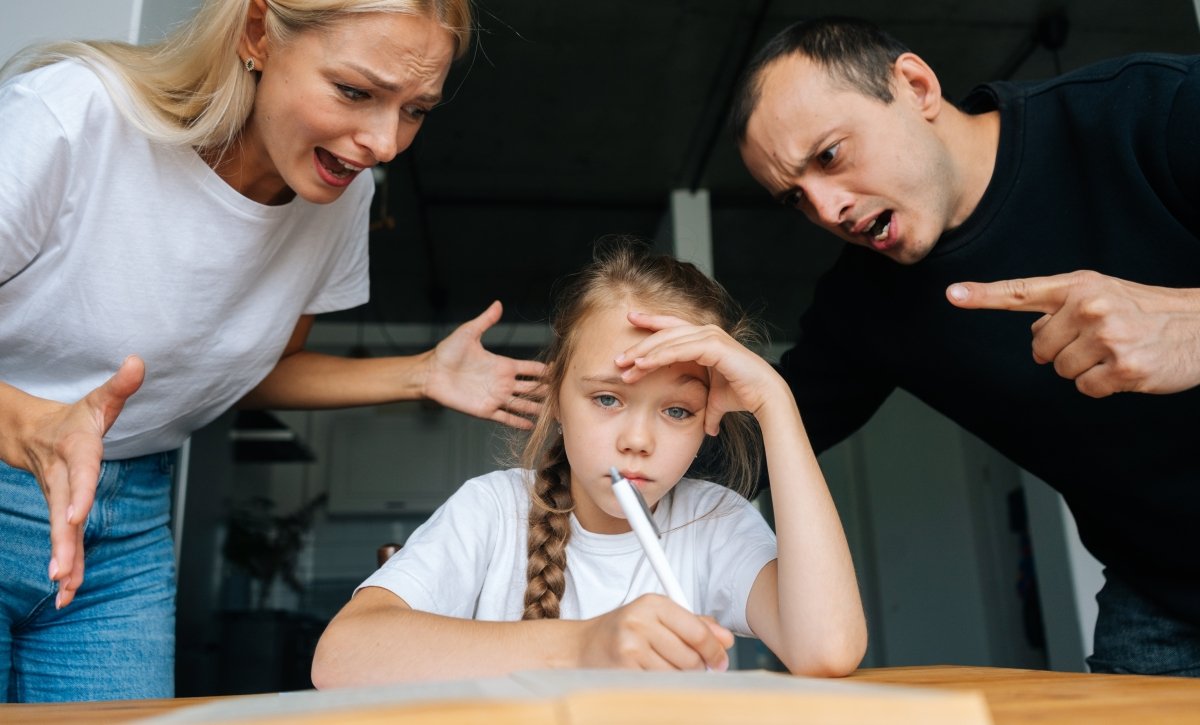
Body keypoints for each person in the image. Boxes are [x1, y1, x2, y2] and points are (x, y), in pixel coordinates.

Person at [0, 0, 546, 703]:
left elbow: (253, 369)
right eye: (356, 91)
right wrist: (30, 425)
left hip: (128, 518)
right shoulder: (77, 114)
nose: (383, 142)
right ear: (257, 33)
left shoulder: (338, 196)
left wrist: (421, 373)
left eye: (416, 110)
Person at [730, 16, 1200, 676]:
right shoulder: (865, 304)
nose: (828, 209)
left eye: (830, 155)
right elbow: (747, 441)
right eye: (796, 198)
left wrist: (1192, 324)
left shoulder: (1153, 108)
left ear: (917, 86)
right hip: (1162, 591)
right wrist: (597, 405)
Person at [310, 243, 867, 686]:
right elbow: (340, 658)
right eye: (607, 399)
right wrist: (583, 645)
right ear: (556, 398)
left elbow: (828, 649)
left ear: (708, 417)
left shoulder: (712, 521)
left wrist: (777, 405)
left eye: (678, 410)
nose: (638, 440)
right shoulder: (495, 510)